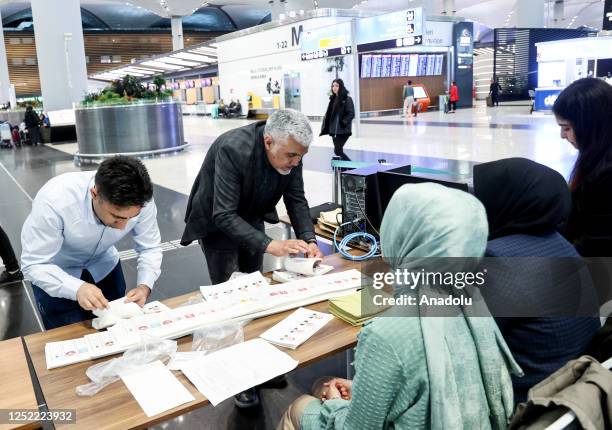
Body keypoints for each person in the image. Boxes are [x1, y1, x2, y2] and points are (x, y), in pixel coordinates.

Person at [278, 183, 520, 430]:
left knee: (301, 404)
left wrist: (336, 405)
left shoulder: (387, 335)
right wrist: (365, 393)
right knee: (323, 383)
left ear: (402, 234)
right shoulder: (472, 302)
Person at [182, 109, 322, 408]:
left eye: (300, 157)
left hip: (250, 217)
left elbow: (296, 199)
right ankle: (238, 381)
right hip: (218, 224)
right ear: (268, 141)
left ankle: (258, 370)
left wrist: (310, 240)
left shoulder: (291, 148)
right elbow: (223, 214)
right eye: (291, 156)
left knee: (254, 297)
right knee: (229, 304)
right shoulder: (234, 148)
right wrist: (270, 245)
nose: (295, 162)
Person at [473, 157, 600, 404]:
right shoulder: (560, 244)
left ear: (505, 200)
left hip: (526, 402)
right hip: (570, 393)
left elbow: (465, 336)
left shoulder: (499, 258)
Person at [21, 156, 162, 330]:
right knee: (69, 339)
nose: (122, 227)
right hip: (57, 274)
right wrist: (75, 288)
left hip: (105, 267)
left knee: (120, 332)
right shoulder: (54, 201)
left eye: (131, 218)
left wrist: (144, 285)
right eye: (116, 217)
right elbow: (34, 264)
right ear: (94, 194)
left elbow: (150, 247)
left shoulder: (141, 201)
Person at [553, 78, 612, 257]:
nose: (562, 135)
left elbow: (598, 245)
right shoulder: (597, 157)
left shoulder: (605, 176)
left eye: (567, 128)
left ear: (591, 125)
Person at [320, 79, 355, 162]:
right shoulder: (333, 99)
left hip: (343, 130)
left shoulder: (347, 99)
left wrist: (344, 122)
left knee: (338, 150)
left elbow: (351, 113)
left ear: (341, 87)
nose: (334, 88)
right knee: (338, 151)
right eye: (333, 86)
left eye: (336, 86)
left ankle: (352, 167)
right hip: (334, 131)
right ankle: (345, 168)